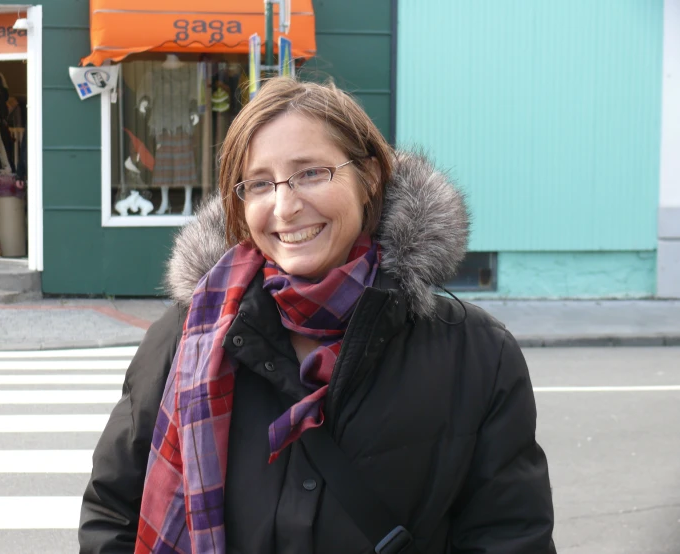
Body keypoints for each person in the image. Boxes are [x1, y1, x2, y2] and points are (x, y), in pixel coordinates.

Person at [79, 77, 556, 554]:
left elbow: (510, 536)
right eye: (260, 184)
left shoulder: (475, 354)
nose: (285, 207)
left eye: (310, 173)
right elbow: (114, 513)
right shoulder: (185, 340)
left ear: (368, 177)